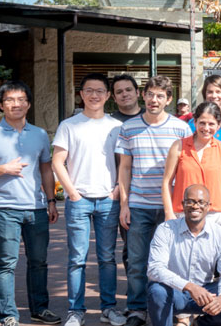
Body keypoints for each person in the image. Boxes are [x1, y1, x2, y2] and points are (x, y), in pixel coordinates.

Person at [0, 80, 61, 326]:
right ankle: (8, 315)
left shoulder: (40, 134)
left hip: (37, 208)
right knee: (7, 262)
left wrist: (51, 200)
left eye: (21, 99)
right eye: (9, 100)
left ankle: (39, 310)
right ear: (1, 105)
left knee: (39, 262)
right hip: (5, 209)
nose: (16, 104)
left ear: (28, 104)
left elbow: (45, 168)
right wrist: (2, 169)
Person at [116, 75, 192, 326]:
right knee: (137, 261)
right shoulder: (128, 128)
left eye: (160, 95)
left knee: (175, 261)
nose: (154, 99)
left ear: (168, 100)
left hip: (171, 207)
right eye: (150, 94)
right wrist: (124, 205)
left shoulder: (180, 128)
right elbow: (124, 168)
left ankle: (178, 309)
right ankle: (137, 309)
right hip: (139, 205)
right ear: (143, 95)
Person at [53, 73, 127, 326]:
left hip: (108, 199)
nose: (94, 95)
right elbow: (57, 162)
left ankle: (109, 308)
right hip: (79, 200)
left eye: (100, 91)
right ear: (81, 94)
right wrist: (72, 193)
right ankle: (76, 310)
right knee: (77, 258)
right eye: (89, 90)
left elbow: (123, 163)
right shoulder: (69, 125)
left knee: (107, 257)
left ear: (108, 96)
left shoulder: (116, 126)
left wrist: (117, 189)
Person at [162, 102, 221, 281]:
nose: (206, 128)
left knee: (219, 263)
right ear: (195, 121)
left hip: (215, 214)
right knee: (184, 263)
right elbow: (167, 181)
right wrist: (169, 213)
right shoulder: (179, 146)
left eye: (211, 124)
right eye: (202, 123)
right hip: (182, 214)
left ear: (219, 124)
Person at [146, 184, 221, 326]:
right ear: (183, 204)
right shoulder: (166, 229)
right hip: (175, 292)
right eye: (190, 201)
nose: (195, 206)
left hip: (205, 293)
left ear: (209, 206)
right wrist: (190, 286)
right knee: (157, 291)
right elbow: (155, 269)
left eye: (200, 202)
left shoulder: (220, 234)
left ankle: (198, 324)